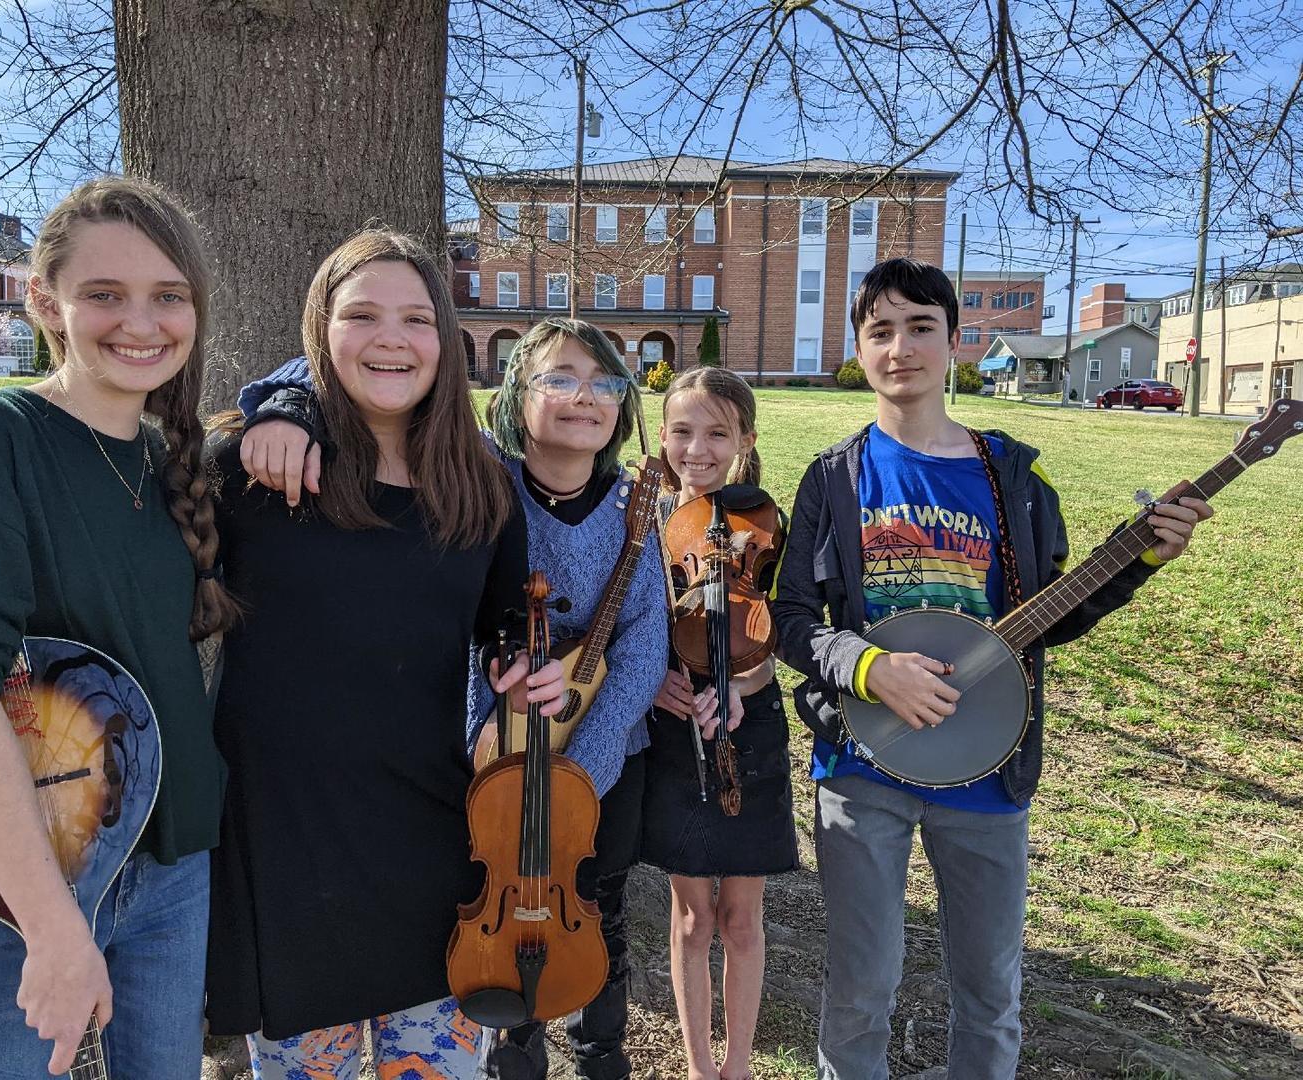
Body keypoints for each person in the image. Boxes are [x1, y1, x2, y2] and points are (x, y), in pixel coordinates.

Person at [770, 257, 1214, 1080]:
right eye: (880, 332)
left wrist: (1142, 561)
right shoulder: (833, 476)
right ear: (859, 350)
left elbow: (1055, 614)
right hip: (863, 767)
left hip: (989, 773)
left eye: (919, 327)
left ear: (955, 342)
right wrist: (868, 668)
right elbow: (790, 621)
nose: (900, 347)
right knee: (862, 987)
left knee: (989, 990)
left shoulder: (1012, 473)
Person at [236, 314, 669, 1080]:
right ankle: (511, 1053)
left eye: (605, 382)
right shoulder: (473, 476)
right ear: (513, 397)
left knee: (591, 910)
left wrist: (576, 777)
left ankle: (602, 1056)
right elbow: (376, 378)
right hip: (481, 758)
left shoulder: (634, 506)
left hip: (596, 764)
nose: (585, 397)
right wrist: (285, 404)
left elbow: (642, 646)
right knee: (475, 906)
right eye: (559, 379)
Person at [0, 176, 238, 1077]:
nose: (140, 322)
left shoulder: (170, 461)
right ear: (46, 302)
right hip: (12, 878)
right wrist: (51, 924)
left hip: (168, 869)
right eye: (104, 295)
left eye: (168, 296)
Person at [203, 230, 564, 1080]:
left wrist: (525, 661)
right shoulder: (253, 466)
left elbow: (504, 621)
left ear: (446, 335)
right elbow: (138, 593)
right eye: (360, 315)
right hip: (285, 843)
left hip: (431, 840)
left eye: (415, 318)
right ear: (319, 331)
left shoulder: (481, 482)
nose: (391, 339)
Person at [641, 366, 798, 1080]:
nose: (696, 448)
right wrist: (656, 682)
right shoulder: (643, 517)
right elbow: (634, 627)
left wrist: (739, 683)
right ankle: (699, 1067)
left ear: (744, 439)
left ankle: (738, 1067)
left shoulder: (764, 518)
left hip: (751, 715)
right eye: (681, 430)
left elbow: (769, 627)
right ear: (662, 434)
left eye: (716, 433)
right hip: (675, 723)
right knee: (690, 919)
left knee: (739, 917)